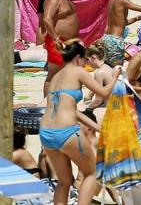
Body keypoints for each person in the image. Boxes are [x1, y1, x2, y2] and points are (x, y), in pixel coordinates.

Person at [40, 40, 120, 205]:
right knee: (92, 173)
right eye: (84, 59)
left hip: (46, 133)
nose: (86, 64)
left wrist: (96, 127)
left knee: (64, 181)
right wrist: (116, 77)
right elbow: (104, 92)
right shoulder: (77, 71)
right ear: (77, 58)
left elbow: (72, 110)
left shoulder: (56, 77)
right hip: (66, 132)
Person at [38, 0, 80, 97]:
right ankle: (47, 103)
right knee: (53, 75)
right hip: (58, 41)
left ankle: (60, 101)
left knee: (66, 74)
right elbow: (47, 19)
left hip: (69, 42)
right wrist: (56, 38)